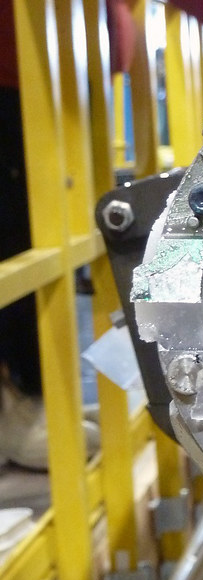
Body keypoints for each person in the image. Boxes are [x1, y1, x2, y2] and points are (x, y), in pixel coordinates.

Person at [0, 1, 102, 470]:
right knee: (23, 253)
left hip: (42, 74)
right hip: (23, 64)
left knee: (36, 241)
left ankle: (28, 397)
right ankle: (19, 404)